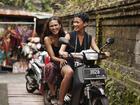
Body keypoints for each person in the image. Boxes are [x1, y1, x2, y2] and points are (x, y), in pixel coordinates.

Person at [59, 12, 110, 105]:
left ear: (85, 24)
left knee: (97, 73)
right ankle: (60, 101)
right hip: (69, 63)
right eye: (74, 22)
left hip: (85, 65)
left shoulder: (90, 38)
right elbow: (61, 50)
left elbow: (97, 51)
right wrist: (63, 53)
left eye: (77, 22)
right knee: (69, 72)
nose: (75, 24)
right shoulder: (69, 35)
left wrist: (104, 54)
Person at [43, 16, 68, 104]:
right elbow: (52, 57)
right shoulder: (48, 39)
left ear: (60, 25)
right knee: (49, 67)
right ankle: (53, 94)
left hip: (66, 61)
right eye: (51, 26)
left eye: (56, 25)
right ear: (48, 28)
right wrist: (60, 60)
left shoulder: (66, 36)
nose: (54, 28)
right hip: (54, 61)